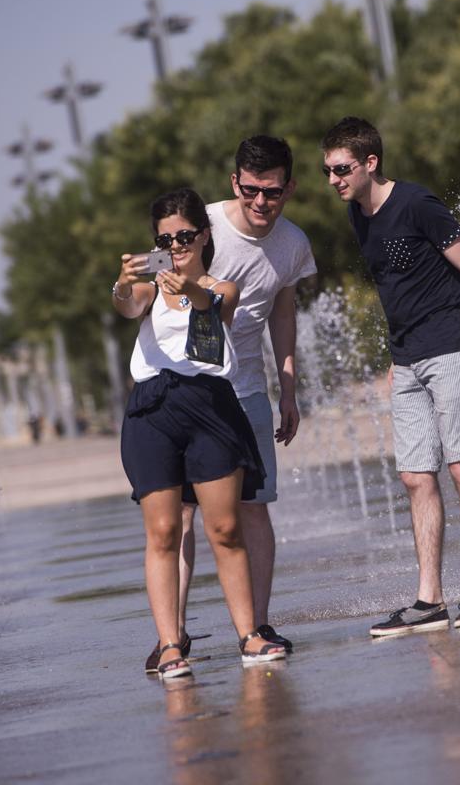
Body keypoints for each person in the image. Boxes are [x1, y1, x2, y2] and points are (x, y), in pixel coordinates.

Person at [321, 116, 460, 637]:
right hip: (406, 362)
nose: (333, 179)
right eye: (327, 171)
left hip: (451, 351)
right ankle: (429, 599)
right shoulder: (358, 215)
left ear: (369, 163)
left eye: (341, 169)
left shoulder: (416, 204)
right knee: (415, 477)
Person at [112, 187, 288, 678]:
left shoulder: (222, 286)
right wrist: (124, 286)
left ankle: (250, 635)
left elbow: (213, 305)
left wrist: (186, 286)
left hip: (211, 406)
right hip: (153, 410)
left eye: (184, 235)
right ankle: (170, 643)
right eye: (164, 239)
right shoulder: (151, 291)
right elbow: (129, 307)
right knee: (164, 530)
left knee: (225, 527)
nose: (175, 245)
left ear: (204, 235)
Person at [174, 136, 317, 655]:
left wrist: (289, 387)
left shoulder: (293, 244)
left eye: (273, 193)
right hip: (188, 393)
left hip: (249, 392)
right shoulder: (202, 227)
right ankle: (174, 634)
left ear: (289, 189)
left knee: (254, 509)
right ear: (235, 182)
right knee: (184, 513)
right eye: (252, 190)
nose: (261, 203)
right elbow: (155, 285)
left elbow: (282, 310)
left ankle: (256, 624)